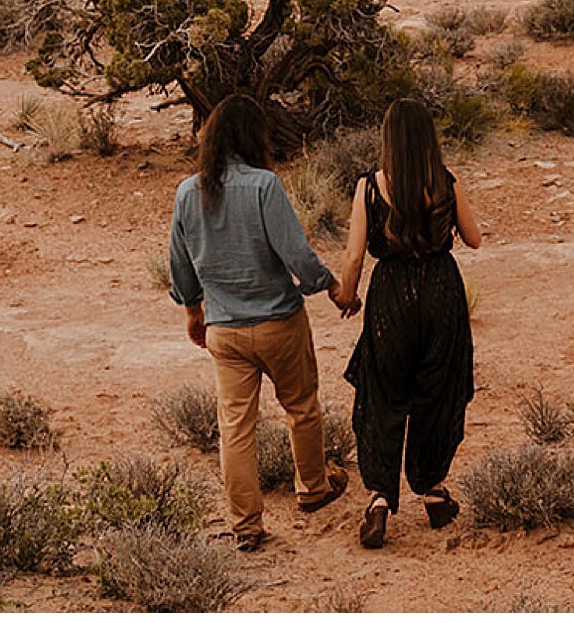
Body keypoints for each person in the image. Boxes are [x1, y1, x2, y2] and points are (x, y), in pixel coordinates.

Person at [168, 93, 357, 550]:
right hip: (279, 323)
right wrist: (329, 286)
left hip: (225, 330)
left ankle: (246, 525)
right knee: (301, 407)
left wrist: (194, 311)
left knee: (235, 427)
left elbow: (179, 261)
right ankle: (313, 489)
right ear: (253, 136)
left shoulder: (188, 192)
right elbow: (294, 251)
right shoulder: (264, 186)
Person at [337, 97, 481, 549]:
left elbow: (355, 254)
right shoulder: (446, 182)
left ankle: (381, 498)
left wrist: (347, 295)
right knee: (437, 392)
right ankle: (433, 491)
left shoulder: (370, 188)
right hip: (441, 289)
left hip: (391, 294)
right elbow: (474, 239)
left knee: (384, 393)